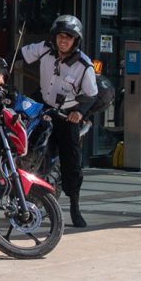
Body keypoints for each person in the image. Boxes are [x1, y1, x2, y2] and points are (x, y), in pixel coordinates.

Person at [20, 16, 104, 229]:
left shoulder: (84, 66)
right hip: (43, 105)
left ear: (76, 40)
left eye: (69, 37)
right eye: (60, 36)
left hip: (66, 115)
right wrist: (1, 70)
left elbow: (91, 95)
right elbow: (19, 55)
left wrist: (79, 112)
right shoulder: (45, 49)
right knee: (21, 142)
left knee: (72, 161)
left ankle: (75, 207)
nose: (63, 41)